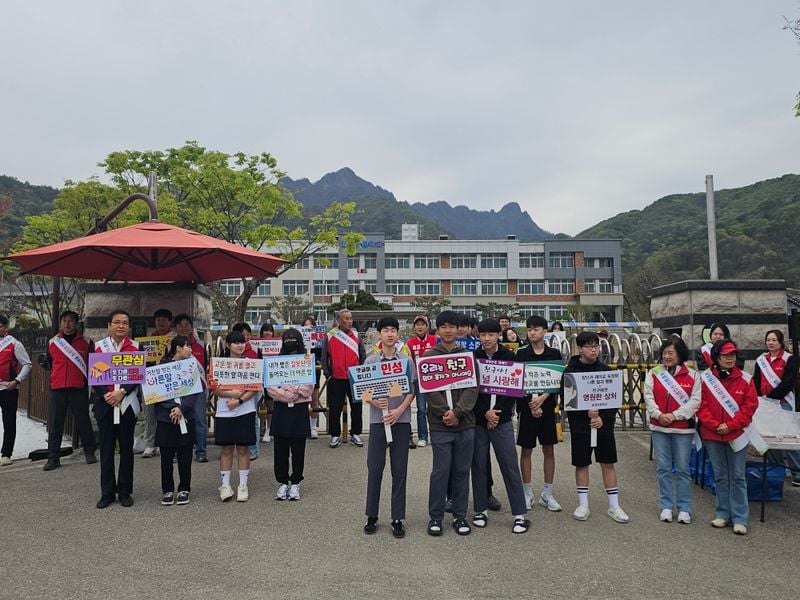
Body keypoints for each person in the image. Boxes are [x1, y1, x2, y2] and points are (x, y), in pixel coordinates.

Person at [471, 318, 530, 534]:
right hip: (478, 420)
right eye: (483, 335)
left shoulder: (509, 356)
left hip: (502, 420)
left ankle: (520, 514)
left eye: (491, 335)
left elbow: (514, 390)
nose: (486, 339)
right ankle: (480, 510)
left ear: (498, 335)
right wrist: (484, 412)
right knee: (478, 465)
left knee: (509, 465)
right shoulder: (473, 357)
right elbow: (469, 391)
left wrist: (497, 414)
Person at [564, 331, 629, 523]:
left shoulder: (607, 370)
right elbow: (567, 399)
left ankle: (614, 505)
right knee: (581, 462)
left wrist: (604, 418)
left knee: (607, 462)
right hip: (580, 426)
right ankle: (583, 504)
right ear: (580, 349)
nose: (594, 350)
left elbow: (614, 400)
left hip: (603, 425)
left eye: (596, 346)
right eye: (589, 346)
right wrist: (584, 414)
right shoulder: (570, 371)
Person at [697, 339, 758, 535]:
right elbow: (701, 406)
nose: (729, 358)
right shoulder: (705, 379)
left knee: (738, 476)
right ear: (716, 358)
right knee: (720, 475)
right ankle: (723, 514)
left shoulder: (746, 379)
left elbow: (750, 407)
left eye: (732, 355)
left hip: (737, 435)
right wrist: (715, 425)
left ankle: (740, 517)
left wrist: (730, 425)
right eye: (725, 355)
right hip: (712, 434)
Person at [425, 310, 478, 537]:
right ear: (438, 330)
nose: (448, 330)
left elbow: (473, 387)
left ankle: (460, 515)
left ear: (459, 330)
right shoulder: (429, 356)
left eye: (452, 326)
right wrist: (445, 413)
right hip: (439, 425)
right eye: (443, 326)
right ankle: (435, 517)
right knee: (440, 471)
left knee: (461, 471)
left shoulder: (467, 355)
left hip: (465, 424)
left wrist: (458, 412)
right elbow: (428, 389)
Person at [363, 317, 415, 538]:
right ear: (379, 334)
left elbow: (412, 391)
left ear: (398, 333)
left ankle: (397, 518)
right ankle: (372, 515)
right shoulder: (370, 361)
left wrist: (399, 410)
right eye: (386, 330)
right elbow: (363, 392)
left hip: (400, 421)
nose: (390, 334)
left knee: (399, 470)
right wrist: (375, 402)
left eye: (394, 330)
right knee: (375, 469)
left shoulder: (406, 361)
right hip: (378, 421)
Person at [643, 337, 701, 524]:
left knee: (683, 469)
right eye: (665, 352)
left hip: (682, 429)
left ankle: (684, 508)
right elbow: (648, 396)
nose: (667, 356)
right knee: (663, 469)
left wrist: (675, 415)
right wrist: (658, 414)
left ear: (680, 354)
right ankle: (666, 506)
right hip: (659, 427)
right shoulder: (654, 373)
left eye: (671, 353)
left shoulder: (692, 376)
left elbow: (695, 401)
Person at [92, 310, 141, 508]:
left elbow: (137, 375)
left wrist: (121, 392)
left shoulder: (136, 347)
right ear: (109, 325)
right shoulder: (98, 347)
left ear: (129, 326)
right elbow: (94, 374)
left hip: (126, 404)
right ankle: (107, 492)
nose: (121, 326)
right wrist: (107, 394)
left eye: (125, 323)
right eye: (117, 322)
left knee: (126, 450)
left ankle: (125, 491)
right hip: (105, 404)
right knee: (106, 449)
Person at [516, 315, 563, 512]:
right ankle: (527, 493)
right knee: (526, 450)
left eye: (536, 329)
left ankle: (547, 493)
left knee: (549, 449)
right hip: (527, 411)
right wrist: (531, 405)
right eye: (529, 329)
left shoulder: (554, 353)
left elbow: (558, 381)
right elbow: (516, 382)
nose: (532, 332)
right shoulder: (521, 354)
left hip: (547, 409)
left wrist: (542, 399)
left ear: (545, 331)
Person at [41, 310, 97, 471]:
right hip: (58, 388)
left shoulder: (87, 342)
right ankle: (53, 457)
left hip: (78, 387)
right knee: (55, 423)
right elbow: (50, 363)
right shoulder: (53, 342)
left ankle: (89, 451)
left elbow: (94, 365)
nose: (67, 324)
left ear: (76, 323)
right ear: (60, 323)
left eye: (70, 321)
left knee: (83, 420)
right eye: (64, 321)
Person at [268, 328, 314, 501]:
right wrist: (285, 394)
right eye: (287, 338)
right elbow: (271, 387)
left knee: (298, 449)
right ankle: (282, 483)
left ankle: (295, 482)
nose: (290, 341)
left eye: (293, 338)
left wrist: (293, 391)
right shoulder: (276, 361)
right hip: (281, 409)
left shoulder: (306, 360)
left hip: (299, 410)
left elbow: (308, 386)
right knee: (280, 449)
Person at [213, 330, 259, 502]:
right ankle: (225, 485)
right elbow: (215, 388)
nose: (240, 345)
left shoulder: (250, 363)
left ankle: (243, 485)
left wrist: (238, 401)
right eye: (236, 342)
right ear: (227, 345)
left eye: (242, 342)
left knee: (243, 448)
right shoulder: (220, 364)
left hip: (245, 410)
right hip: (224, 411)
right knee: (226, 449)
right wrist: (231, 394)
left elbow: (254, 388)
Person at [156, 336, 201, 506]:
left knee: (185, 456)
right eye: (187, 346)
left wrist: (182, 408)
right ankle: (167, 490)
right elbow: (156, 392)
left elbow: (195, 391)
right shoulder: (162, 366)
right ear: (178, 349)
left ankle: (184, 488)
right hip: (166, 418)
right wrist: (172, 407)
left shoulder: (192, 366)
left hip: (186, 415)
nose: (190, 349)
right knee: (166, 457)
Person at [753, 329, 800, 486]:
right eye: (768, 340)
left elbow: (788, 382)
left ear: (781, 342)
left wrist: (771, 396)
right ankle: (777, 469)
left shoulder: (789, 359)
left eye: (774, 340)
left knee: (789, 438)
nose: (771, 343)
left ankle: (797, 472)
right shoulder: (761, 360)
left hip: (783, 402)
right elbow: (756, 381)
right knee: (771, 437)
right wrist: (761, 397)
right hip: (766, 404)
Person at [321, 309, 366, 448]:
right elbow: (324, 357)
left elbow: (363, 355)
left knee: (357, 407)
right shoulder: (330, 335)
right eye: (346, 318)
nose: (350, 321)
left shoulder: (356, 335)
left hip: (354, 378)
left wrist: (361, 372)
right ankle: (335, 435)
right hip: (336, 378)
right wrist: (328, 374)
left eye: (351, 318)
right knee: (335, 408)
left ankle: (356, 434)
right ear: (339, 321)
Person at [174, 314, 209, 462]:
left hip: (198, 389)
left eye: (187, 325)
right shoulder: (171, 345)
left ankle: (201, 451)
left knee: (200, 420)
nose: (184, 328)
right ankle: (176, 451)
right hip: (178, 390)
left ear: (192, 327)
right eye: (180, 325)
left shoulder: (201, 345)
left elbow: (206, 366)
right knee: (177, 418)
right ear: (176, 327)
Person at [142, 308, 175, 459]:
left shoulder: (174, 339)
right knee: (149, 413)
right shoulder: (147, 340)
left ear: (169, 323)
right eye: (158, 320)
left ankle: (164, 443)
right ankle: (150, 444)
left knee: (167, 412)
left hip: (168, 380)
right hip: (150, 380)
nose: (160, 322)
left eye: (164, 320)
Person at [0, 315, 32, 466]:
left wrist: (17, 380)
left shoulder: (14, 343)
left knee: (9, 421)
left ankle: (6, 454)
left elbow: (27, 364)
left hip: (8, 388)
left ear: (5, 327)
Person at [232, 322, 263, 461]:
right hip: (232, 391)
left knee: (253, 417)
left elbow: (261, 369)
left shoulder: (256, 350)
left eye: (247, 335)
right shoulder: (226, 351)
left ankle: (253, 449)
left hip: (252, 389)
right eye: (241, 337)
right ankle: (231, 447)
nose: (244, 340)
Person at [406, 315, 438, 448]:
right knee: (421, 409)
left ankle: (436, 435)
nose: (420, 327)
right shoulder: (410, 343)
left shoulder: (435, 340)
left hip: (435, 380)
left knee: (436, 408)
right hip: (419, 380)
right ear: (414, 327)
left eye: (422, 324)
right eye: (417, 324)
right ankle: (423, 436)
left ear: (427, 326)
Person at [301, 317, 323, 440]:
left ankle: (313, 427)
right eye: (305, 326)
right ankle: (304, 426)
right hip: (301, 371)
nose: (308, 328)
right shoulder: (299, 340)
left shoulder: (319, 341)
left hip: (315, 371)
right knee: (303, 399)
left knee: (314, 399)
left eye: (310, 326)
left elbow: (321, 354)